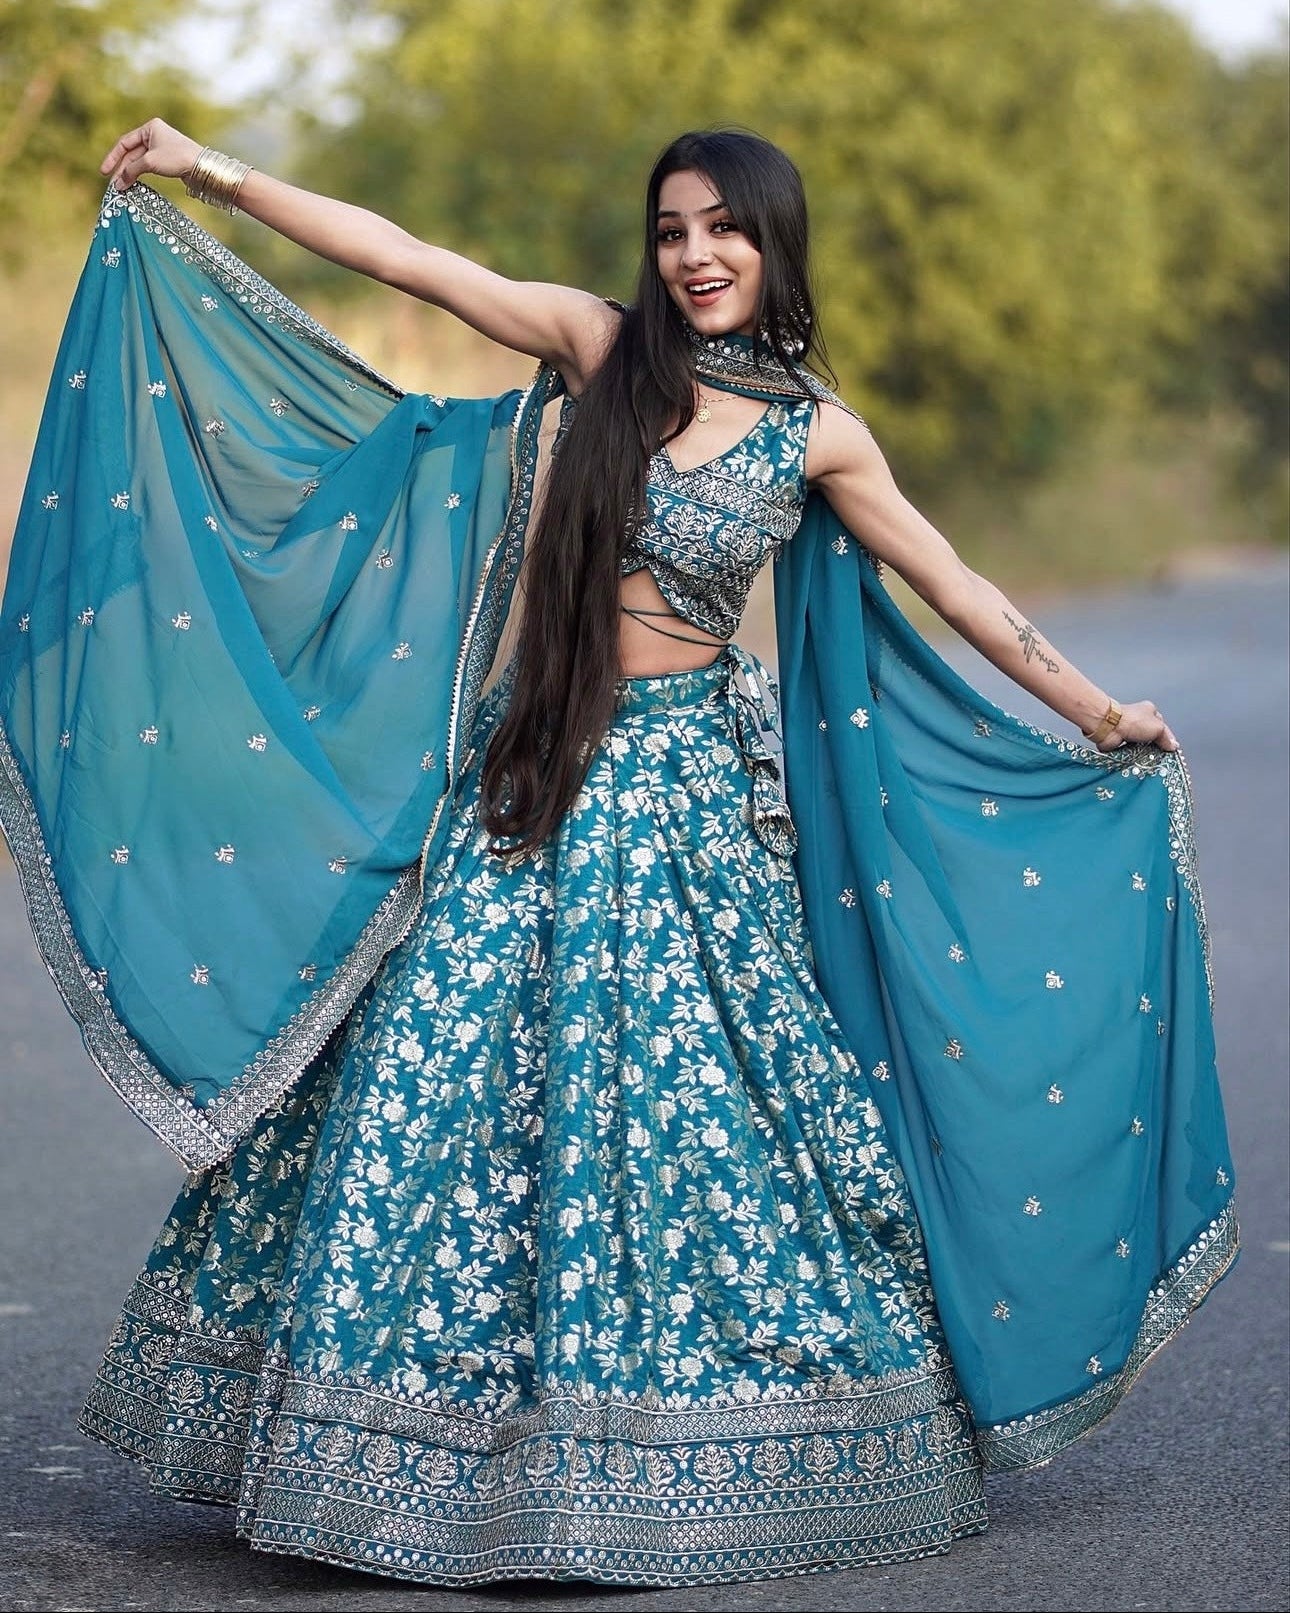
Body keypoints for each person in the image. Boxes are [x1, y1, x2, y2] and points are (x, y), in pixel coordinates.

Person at [0, 121, 1234, 1587]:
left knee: (703, 1113)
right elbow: (409, 258)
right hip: (531, 773)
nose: (696, 255)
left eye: (726, 229)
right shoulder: (599, 353)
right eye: (671, 231)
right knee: (431, 1076)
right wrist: (217, 174)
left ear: (773, 245)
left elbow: (948, 576)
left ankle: (709, 1438)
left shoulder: (814, 432)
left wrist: (1097, 708)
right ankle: (396, 1449)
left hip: (689, 808)